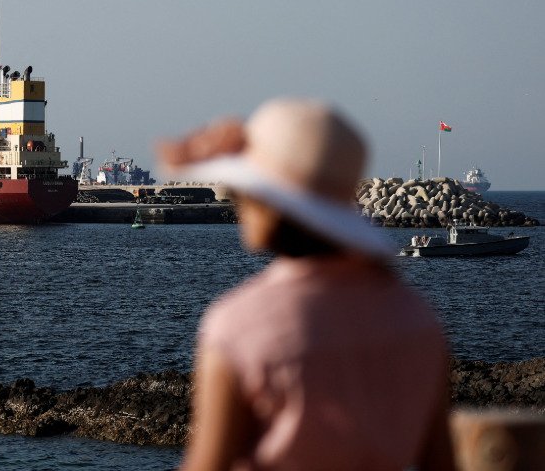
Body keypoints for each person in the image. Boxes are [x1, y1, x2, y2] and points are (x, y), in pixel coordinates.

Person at [157, 99, 454, 471]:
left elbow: (208, 463)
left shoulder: (237, 324)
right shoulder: (419, 321)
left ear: (269, 203)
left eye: (243, 191)